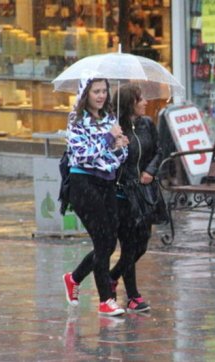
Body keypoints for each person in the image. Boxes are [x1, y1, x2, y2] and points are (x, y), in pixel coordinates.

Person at [62, 71, 130, 316]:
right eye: (96, 91)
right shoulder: (76, 120)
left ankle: (74, 278)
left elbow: (117, 157)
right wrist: (107, 140)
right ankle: (105, 300)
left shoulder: (109, 118)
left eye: (104, 91)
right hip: (83, 183)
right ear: (85, 94)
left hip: (107, 183)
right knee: (103, 241)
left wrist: (121, 146)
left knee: (109, 242)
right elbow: (82, 154)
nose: (101, 96)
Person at [109, 83, 164, 313]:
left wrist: (150, 170)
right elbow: (111, 161)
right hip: (124, 193)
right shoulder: (115, 129)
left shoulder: (147, 124)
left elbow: (160, 149)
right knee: (129, 245)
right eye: (140, 99)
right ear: (129, 102)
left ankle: (112, 276)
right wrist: (117, 145)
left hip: (146, 192)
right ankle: (133, 296)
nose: (145, 102)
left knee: (142, 242)